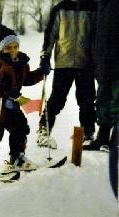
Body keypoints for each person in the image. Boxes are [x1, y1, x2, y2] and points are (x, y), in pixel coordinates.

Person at [0, 24, 49, 180]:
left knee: (20, 128)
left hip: (13, 105)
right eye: (8, 48)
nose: (13, 50)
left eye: (15, 46)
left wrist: (41, 73)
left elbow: (27, 79)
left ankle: (17, 157)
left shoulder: (21, 64)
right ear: (1, 50)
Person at [37, 0, 97, 148]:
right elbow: (50, 34)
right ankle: (44, 130)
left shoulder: (92, 7)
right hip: (64, 63)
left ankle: (88, 133)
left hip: (86, 64)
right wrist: (45, 56)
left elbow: (97, 35)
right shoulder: (60, 8)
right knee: (57, 99)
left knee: (87, 100)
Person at [83, 0, 119, 152]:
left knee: (117, 103)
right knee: (102, 101)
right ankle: (103, 137)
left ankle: (116, 140)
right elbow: (94, 34)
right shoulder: (98, 5)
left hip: (117, 61)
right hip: (103, 63)